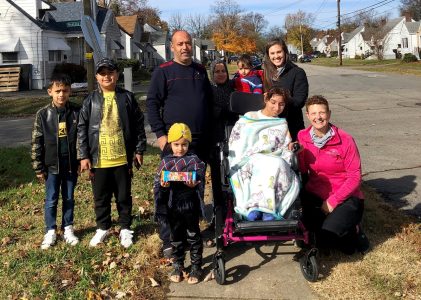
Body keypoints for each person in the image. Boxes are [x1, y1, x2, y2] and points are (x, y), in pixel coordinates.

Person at [146, 30, 213, 257]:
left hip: (198, 147)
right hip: (174, 147)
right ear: (172, 47)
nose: (185, 47)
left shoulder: (200, 71)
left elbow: (208, 103)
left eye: (188, 43)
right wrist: (162, 136)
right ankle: (170, 239)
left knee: (194, 192)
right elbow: (152, 105)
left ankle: (192, 233)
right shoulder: (163, 72)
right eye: (180, 44)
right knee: (170, 194)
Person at [78, 58, 146, 248]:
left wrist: (139, 149)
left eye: (110, 72)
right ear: (97, 77)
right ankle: (103, 227)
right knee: (101, 196)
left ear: (117, 75)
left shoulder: (127, 98)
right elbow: (82, 128)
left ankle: (125, 227)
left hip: (122, 157)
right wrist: (83, 155)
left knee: (124, 195)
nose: (107, 76)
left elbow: (138, 124)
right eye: (102, 73)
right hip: (99, 159)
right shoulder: (90, 100)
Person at [297, 95, 369, 254]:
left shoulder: (345, 140)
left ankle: (355, 230)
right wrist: (300, 154)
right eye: (313, 113)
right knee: (305, 238)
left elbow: (355, 177)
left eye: (322, 113)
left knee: (334, 242)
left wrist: (332, 202)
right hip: (316, 193)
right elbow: (303, 170)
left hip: (345, 197)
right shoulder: (302, 136)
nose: (318, 117)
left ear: (329, 114)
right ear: (307, 116)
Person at [228, 87, 300, 221]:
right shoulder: (250, 117)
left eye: (281, 104)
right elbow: (237, 141)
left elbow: (285, 148)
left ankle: (263, 209)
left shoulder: (282, 124)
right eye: (273, 102)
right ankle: (259, 208)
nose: (277, 107)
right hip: (250, 158)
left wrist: (289, 148)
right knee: (270, 164)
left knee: (278, 164)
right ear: (266, 99)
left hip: (275, 158)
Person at [31, 73, 80, 249]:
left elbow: (82, 139)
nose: (61, 95)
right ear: (50, 92)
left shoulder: (76, 112)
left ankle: (68, 228)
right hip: (51, 166)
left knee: (69, 198)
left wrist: (82, 160)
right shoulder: (43, 114)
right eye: (58, 91)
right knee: (51, 199)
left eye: (65, 91)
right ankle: (50, 230)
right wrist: (38, 166)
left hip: (70, 165)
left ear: (70, 92)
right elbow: (37, 141)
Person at [153, 123, 205, 284]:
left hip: (190, 205)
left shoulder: (194, 161)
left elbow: (200, 178)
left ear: (189, 144)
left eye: (184, 144)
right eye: (176, 144)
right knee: (175, 236)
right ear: (170, 144)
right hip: (172, 205)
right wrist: (163, 185)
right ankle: (178, 264)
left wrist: (194, 183)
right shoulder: (165, 162)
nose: (180, 148)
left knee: (193, 235)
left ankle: (196, 266)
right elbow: (158, 183)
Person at [262, 38, 309, 141]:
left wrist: (278, 101)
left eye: (279, 52)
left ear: (285, 52)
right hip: (269, 127)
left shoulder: (298, 72)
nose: (276, 56)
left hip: (291, 127)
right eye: (272, 53)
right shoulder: (266, 73)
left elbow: (299, 101)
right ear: (268, 56)